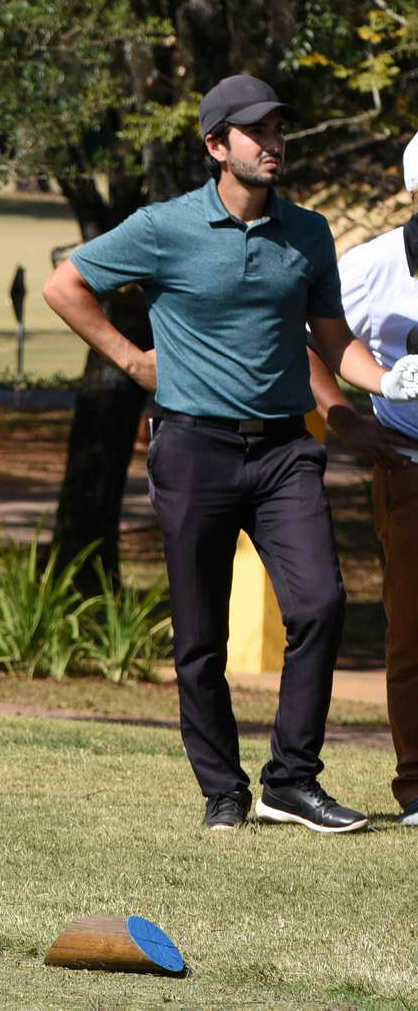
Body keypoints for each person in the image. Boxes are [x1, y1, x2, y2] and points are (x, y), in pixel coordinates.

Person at [42, 73, 418, 834]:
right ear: (217, 145)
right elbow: (65, 285)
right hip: (194, 448)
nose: (275, 143)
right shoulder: (163, 227)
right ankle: (222, 790)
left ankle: (291, 780)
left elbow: (333, 338)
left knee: (321, 604)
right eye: (259, 131)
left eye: (279, 129)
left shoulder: (307, 232)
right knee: (200, 636)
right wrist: (133, 361)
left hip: (284, 449)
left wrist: (387, 379)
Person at [306, 129, 418, 826]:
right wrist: (344, 418)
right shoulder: (373, 265)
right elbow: (307, 339)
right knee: (414, 632)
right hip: (411, 468)